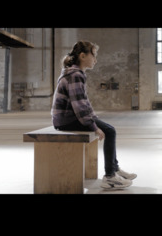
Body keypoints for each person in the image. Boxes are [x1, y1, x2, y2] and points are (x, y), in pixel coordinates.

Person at [51, 40, 137, 190]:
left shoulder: (75, 73)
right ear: (83, 56)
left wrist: (94, 118)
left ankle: (114, 168)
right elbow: (79, 105)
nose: (96, 60)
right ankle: (110, 177)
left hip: (68, 117)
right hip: (66, 120)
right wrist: (93, 126)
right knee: (110, 131)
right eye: (94, 55)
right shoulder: (75, 75)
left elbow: (84, 102)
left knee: (109, 128)